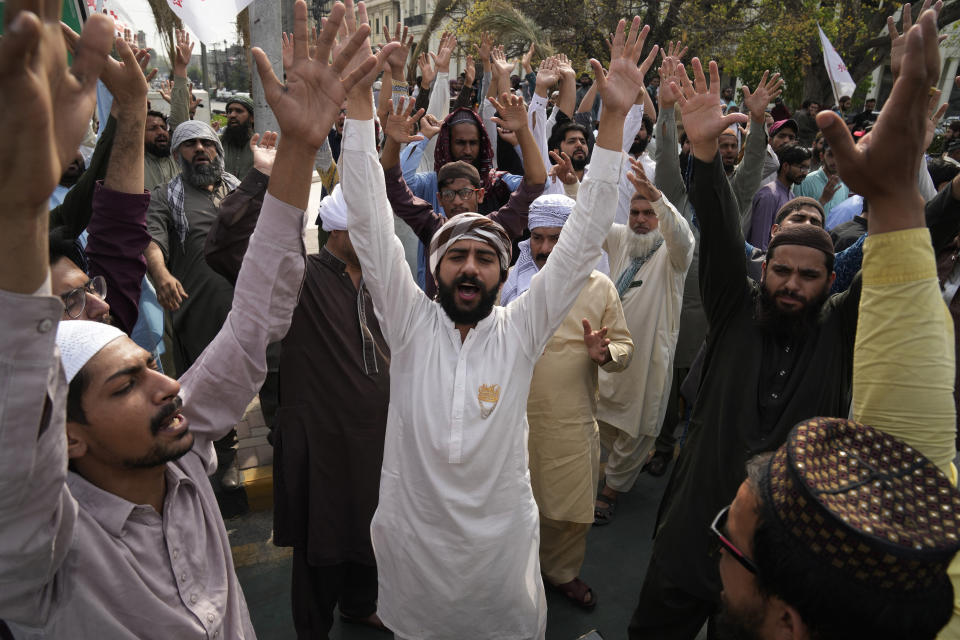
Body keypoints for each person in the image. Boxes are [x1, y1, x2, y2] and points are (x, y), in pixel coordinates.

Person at [0, 3, 385, 637]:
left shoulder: (180, 456)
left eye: (149, 368)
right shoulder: (42, 557)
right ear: (63, 437)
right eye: (126, 386)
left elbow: (254, 317)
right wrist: (19, 215)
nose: (170, 384)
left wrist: (297, 150)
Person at [340, 12, 655, 638]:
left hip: (499, 566)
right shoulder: (408, 325)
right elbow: (372, 222)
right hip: (415, 555)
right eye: (456, 255)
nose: (470, 268)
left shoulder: (519, 330)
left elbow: (584, 232)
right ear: (434, 268)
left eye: (486, 257)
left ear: (502, 271)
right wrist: (356, 107)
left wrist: (613, 123)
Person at [627, 56, 862, 640]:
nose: (791, 284)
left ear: (830, 282)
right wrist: (704, 157)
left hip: (779, 548)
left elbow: (894, 256)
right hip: (693, 525)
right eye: (781, 270)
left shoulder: (837, 328)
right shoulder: (737, 308)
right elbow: (722, 235)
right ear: (767, 267)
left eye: (808, 276)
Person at [502, 194, 634, 608]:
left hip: (569, 421)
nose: (543, 250)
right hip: (508, 421)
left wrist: (606, 354)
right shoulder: (508, 283)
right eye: (537, 239)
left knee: (569, 510)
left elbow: (625, 346)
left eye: (555, 239)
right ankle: (512, 575)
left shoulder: (599, 288)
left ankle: (560, 573)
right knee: (511, 507)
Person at [593, 164, 694, 524]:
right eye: (635, 212)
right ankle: (608, 473)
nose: (640, 220)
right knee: (601, 417)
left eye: (648, 214)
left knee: (637, 430)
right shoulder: (623, 241)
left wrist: (658, 199)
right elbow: (591, 227)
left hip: (648, 360)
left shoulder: (672, 256)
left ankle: (611, 491)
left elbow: (684, 237)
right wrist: (573, 185)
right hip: (609, 354)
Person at [747, 142, 811, 249]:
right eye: (801, 168)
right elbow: (759, 242)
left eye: (807, 169)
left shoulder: (791, 196)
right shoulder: (768, 195)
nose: (805, 173)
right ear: (786, 166)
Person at [794, 140, 849, 221]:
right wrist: (822, 201)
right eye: (831, 154)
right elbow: (796, 215)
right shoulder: (805, 181)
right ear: (822, 156)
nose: (835, 160)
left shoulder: (845, 185)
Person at [221, 95, 255, 179]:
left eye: (239, 111)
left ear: (252, 118)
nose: (232, 115)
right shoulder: (217, 143)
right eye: (229, 111)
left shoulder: (260, 144)